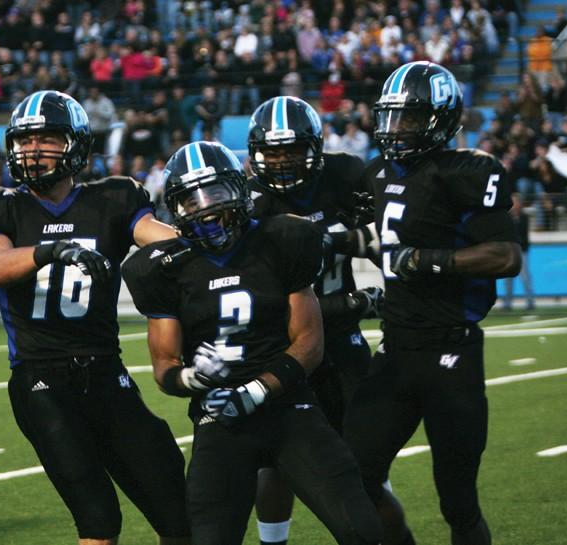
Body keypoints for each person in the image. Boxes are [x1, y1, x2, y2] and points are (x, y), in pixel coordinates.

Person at [121, 141, 384, 545]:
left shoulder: (285, 237)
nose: (206, 208)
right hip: (220, 418)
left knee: (361, 529)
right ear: (175, 209)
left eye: (216, 193)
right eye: (192, 200)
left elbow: (309, 343)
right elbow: (164, 368)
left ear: (241, 192)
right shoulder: (157, 269)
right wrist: (193, 378)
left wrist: (259, 388)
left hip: (290, 408)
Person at [0, 90, 190, 545]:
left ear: (77, 145)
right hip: (41, 381)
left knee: (177, 510)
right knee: (99, 520)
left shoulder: (114, 198)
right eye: (24, 141)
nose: (32, 151)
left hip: (106, 374)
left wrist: (215, 233)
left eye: (46, 139)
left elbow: (164, 242)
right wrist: (51, 251)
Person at [347, 61, 522, 545]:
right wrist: (333, 240)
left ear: (441, 118)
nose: (395, 129)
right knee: (353, 474)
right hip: (396, 351)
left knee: (458, 501)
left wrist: (427, 260)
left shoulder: (468, 170)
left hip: (452, 352)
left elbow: (506, 256)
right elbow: (383, 237)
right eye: (390, 117)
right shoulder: (377, 172)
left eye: (408, 118)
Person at [246, 96, 385, 545]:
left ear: (315, 148)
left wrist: (363, 239)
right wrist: (356, 303)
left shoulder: (344, 176)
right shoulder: (251, 206)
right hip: (284, 344)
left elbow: (396, 228)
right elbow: (264, 304)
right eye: (273, 150)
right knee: (275, 462)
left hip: (342, 345)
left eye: (292, 150)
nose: (282, 160)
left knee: (365, 469)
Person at [502, 194, 534, 311]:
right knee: (508, 279)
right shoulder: (507, 217)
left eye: (517, 203)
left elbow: (522, 235)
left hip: (522, 251)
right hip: (510, 252)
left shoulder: (524, 218)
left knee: (525, 277)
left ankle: (530, 302)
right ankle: (507, 303)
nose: (515, 205)